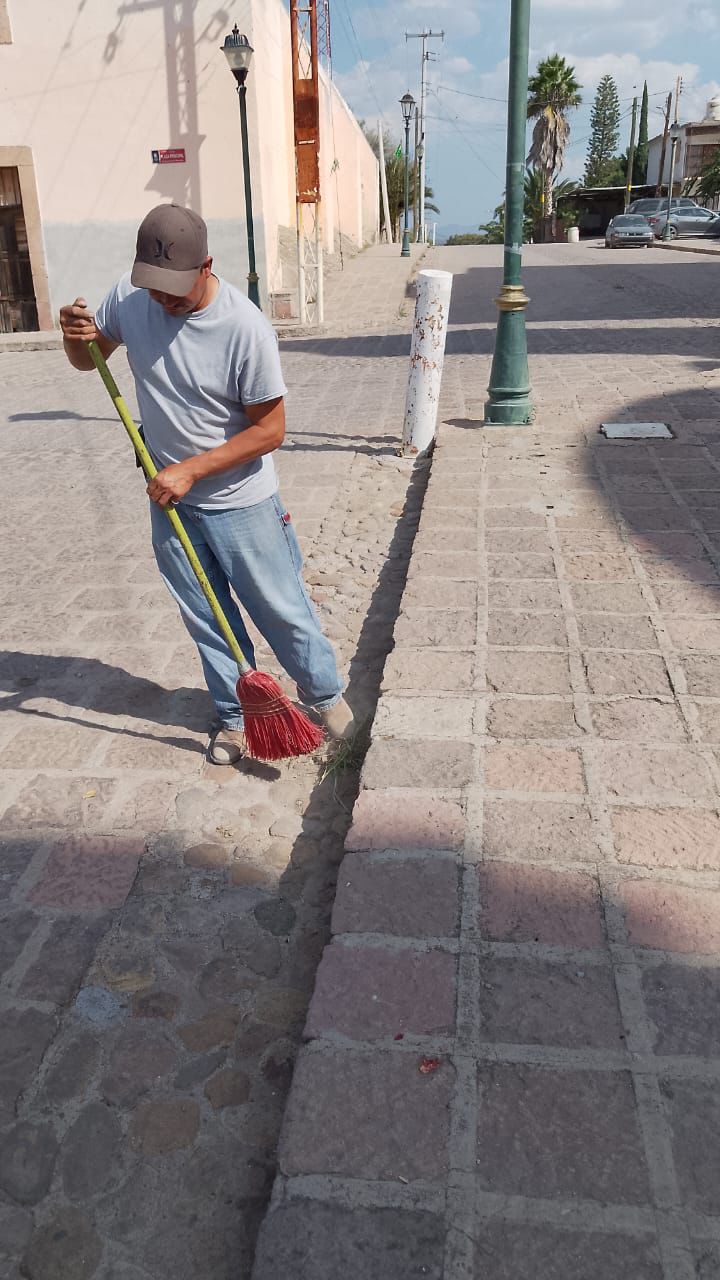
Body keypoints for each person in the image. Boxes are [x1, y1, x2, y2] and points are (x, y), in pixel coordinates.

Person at [59, 202, 353, 764]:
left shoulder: (245, 329)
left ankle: (326, 698)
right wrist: (77, 337)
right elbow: (88, 358)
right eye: (155, 288)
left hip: (241, 501)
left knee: (280, 607)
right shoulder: (130, 294)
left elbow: (271, 430)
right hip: (169, 498)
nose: (164, 300)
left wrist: (193, 468)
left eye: (175, 289)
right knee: (204, 612)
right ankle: (235, 716)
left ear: (207, 265)